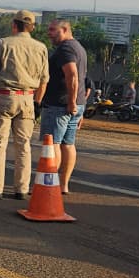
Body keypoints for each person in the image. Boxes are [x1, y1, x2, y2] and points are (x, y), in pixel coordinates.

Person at [0, 10, 49, 200]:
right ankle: (21, 189)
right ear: (31, 27)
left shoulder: (4, 43)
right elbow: (44, 80)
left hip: (6, 97)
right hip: (28, 99)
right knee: (24, 145)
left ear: (14, 25)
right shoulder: (41, 48)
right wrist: (37, 102)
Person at [39, 20, 88, 194]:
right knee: (68, 144)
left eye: (53, 30)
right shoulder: (79, 47)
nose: (49, 33)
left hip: (60, 105)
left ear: (65, 30)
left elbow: (73, 75)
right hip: (74, 105)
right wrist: (78, 104)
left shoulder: (65, 49)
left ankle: (49, 185)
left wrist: (71, 101)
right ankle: (63, 185)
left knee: (53, 144)